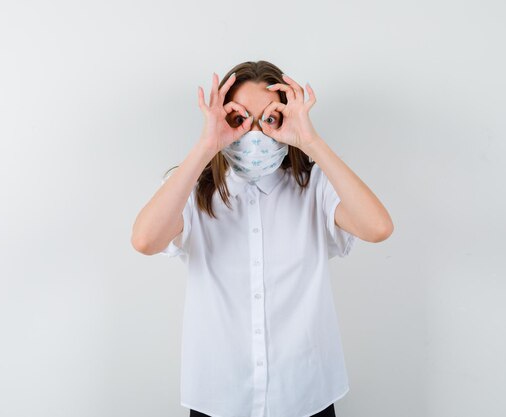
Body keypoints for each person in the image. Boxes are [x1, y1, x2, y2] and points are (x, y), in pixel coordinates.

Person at [131, 60, 393, 417]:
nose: (254, 134)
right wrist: (207, 145)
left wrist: (310, 141)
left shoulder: (313, 188)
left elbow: (378, 227)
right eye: (239, 119)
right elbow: (145, 240)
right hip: (219, 398)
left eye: (269, 119)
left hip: (306, 395)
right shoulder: (194, 192)